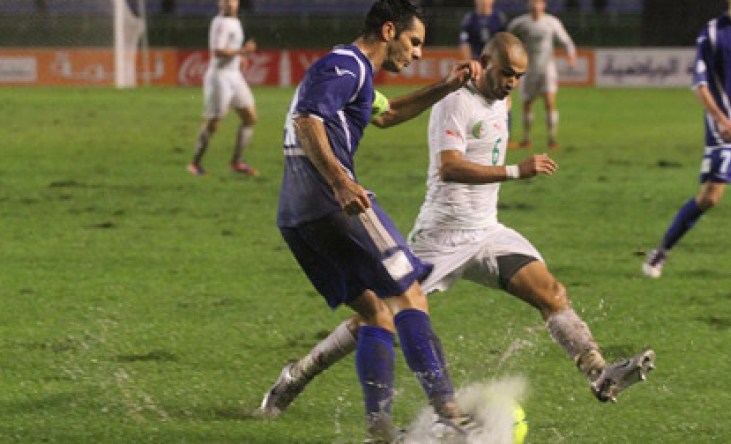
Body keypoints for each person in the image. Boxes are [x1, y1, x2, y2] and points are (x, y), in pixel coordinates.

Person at [259, 33, 656, 427]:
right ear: (484, 62)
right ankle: (298, 375)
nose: (511, 83)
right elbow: (450, 166)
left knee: (551, 293)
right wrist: (518, 170)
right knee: (379, 313)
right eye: (505, 74)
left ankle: (600, 373)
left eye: (518, 76)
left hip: (487, 231)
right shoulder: (455, 102)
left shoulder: (504, 99)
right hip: (442, 235)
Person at [261, 1, 484, 441]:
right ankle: (450, 414)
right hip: (331, 204)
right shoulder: (346, 67)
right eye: (414, 42)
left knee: (376, 313)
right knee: (410, 298)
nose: (418, 52)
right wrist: (341, 182)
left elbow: (389, 113)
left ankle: (380, 431)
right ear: (388, 31)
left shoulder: (355, 76)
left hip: (296, 216)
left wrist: (444, 87)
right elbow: (306, 119)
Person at [642, 0, 731, 280]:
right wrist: (721, 119)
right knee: (710, 197)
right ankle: (661, 251)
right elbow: (700, 83)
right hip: (724, 133)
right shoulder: (712, 32)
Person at [187, 0, 258, 177]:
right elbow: (217, 51)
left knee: (250, 117)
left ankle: (237, 161)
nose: (228, 4)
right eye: (224, 1)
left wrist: (240, 58)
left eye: (231, 1)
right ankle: (195, 163)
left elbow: (230, 49)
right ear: (219, 4)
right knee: (214, 124)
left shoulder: (236, 21)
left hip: (234, 75)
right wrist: (242, 52)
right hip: (219, 77)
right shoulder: (219, 23)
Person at [507, 0, 576, 150]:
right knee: (527, 103)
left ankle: (552, 139)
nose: (536, 6)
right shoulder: (520, 23)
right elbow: (507, 39)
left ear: (544, 5)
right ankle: (526, 139)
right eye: (533, 3)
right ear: (528, 5)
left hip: (547, 68)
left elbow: (567, 41)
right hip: (528, 68)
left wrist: (571, 56)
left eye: (539, 3)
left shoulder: (552, 22)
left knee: (549, 101)